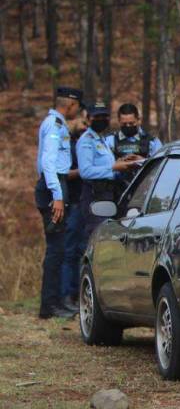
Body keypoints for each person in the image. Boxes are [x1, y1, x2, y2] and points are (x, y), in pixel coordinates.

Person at [35, 87, 84, 319]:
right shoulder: (55, 125)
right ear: (71, 104)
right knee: (56, 249)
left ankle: (52, 304)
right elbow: (48, 161)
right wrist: (57, 195)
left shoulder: (57, 123)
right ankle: (50, 306)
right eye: (77, 106)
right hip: (53, 186)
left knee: (59, 246)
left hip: (55, 185)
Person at [77, 102, 137, 239]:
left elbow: (105, 166)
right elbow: (85, 171)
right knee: (99, 238)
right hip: (95, 195)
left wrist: (121, 164)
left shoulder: (101, 139)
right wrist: (113, 168)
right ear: (88, 119)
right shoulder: (87, 141)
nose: (101, 120)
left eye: (104, 116)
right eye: (96, 117)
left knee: (109, 238)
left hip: (108, 194)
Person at [60, 113, 88, 308]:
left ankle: (77, 295)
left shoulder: (81, 142)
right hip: (71, 202)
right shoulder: (67, 145)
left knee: (80, 250)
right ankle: (66, 296)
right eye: (84, 122)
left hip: (83, 201)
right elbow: (62, 173)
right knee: (68, 251)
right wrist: (85, 169)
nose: (86, 126)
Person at [105, 103, 161, 191]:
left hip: (145, 189)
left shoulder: (152, 141)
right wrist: (118, 163)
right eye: (124, 124)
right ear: (119, 121)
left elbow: (161, 167)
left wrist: (143, 161)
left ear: (138, 120)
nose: (128, 126)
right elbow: (101, 167)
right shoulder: (109, 141)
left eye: (131, 123)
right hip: (115, 189)